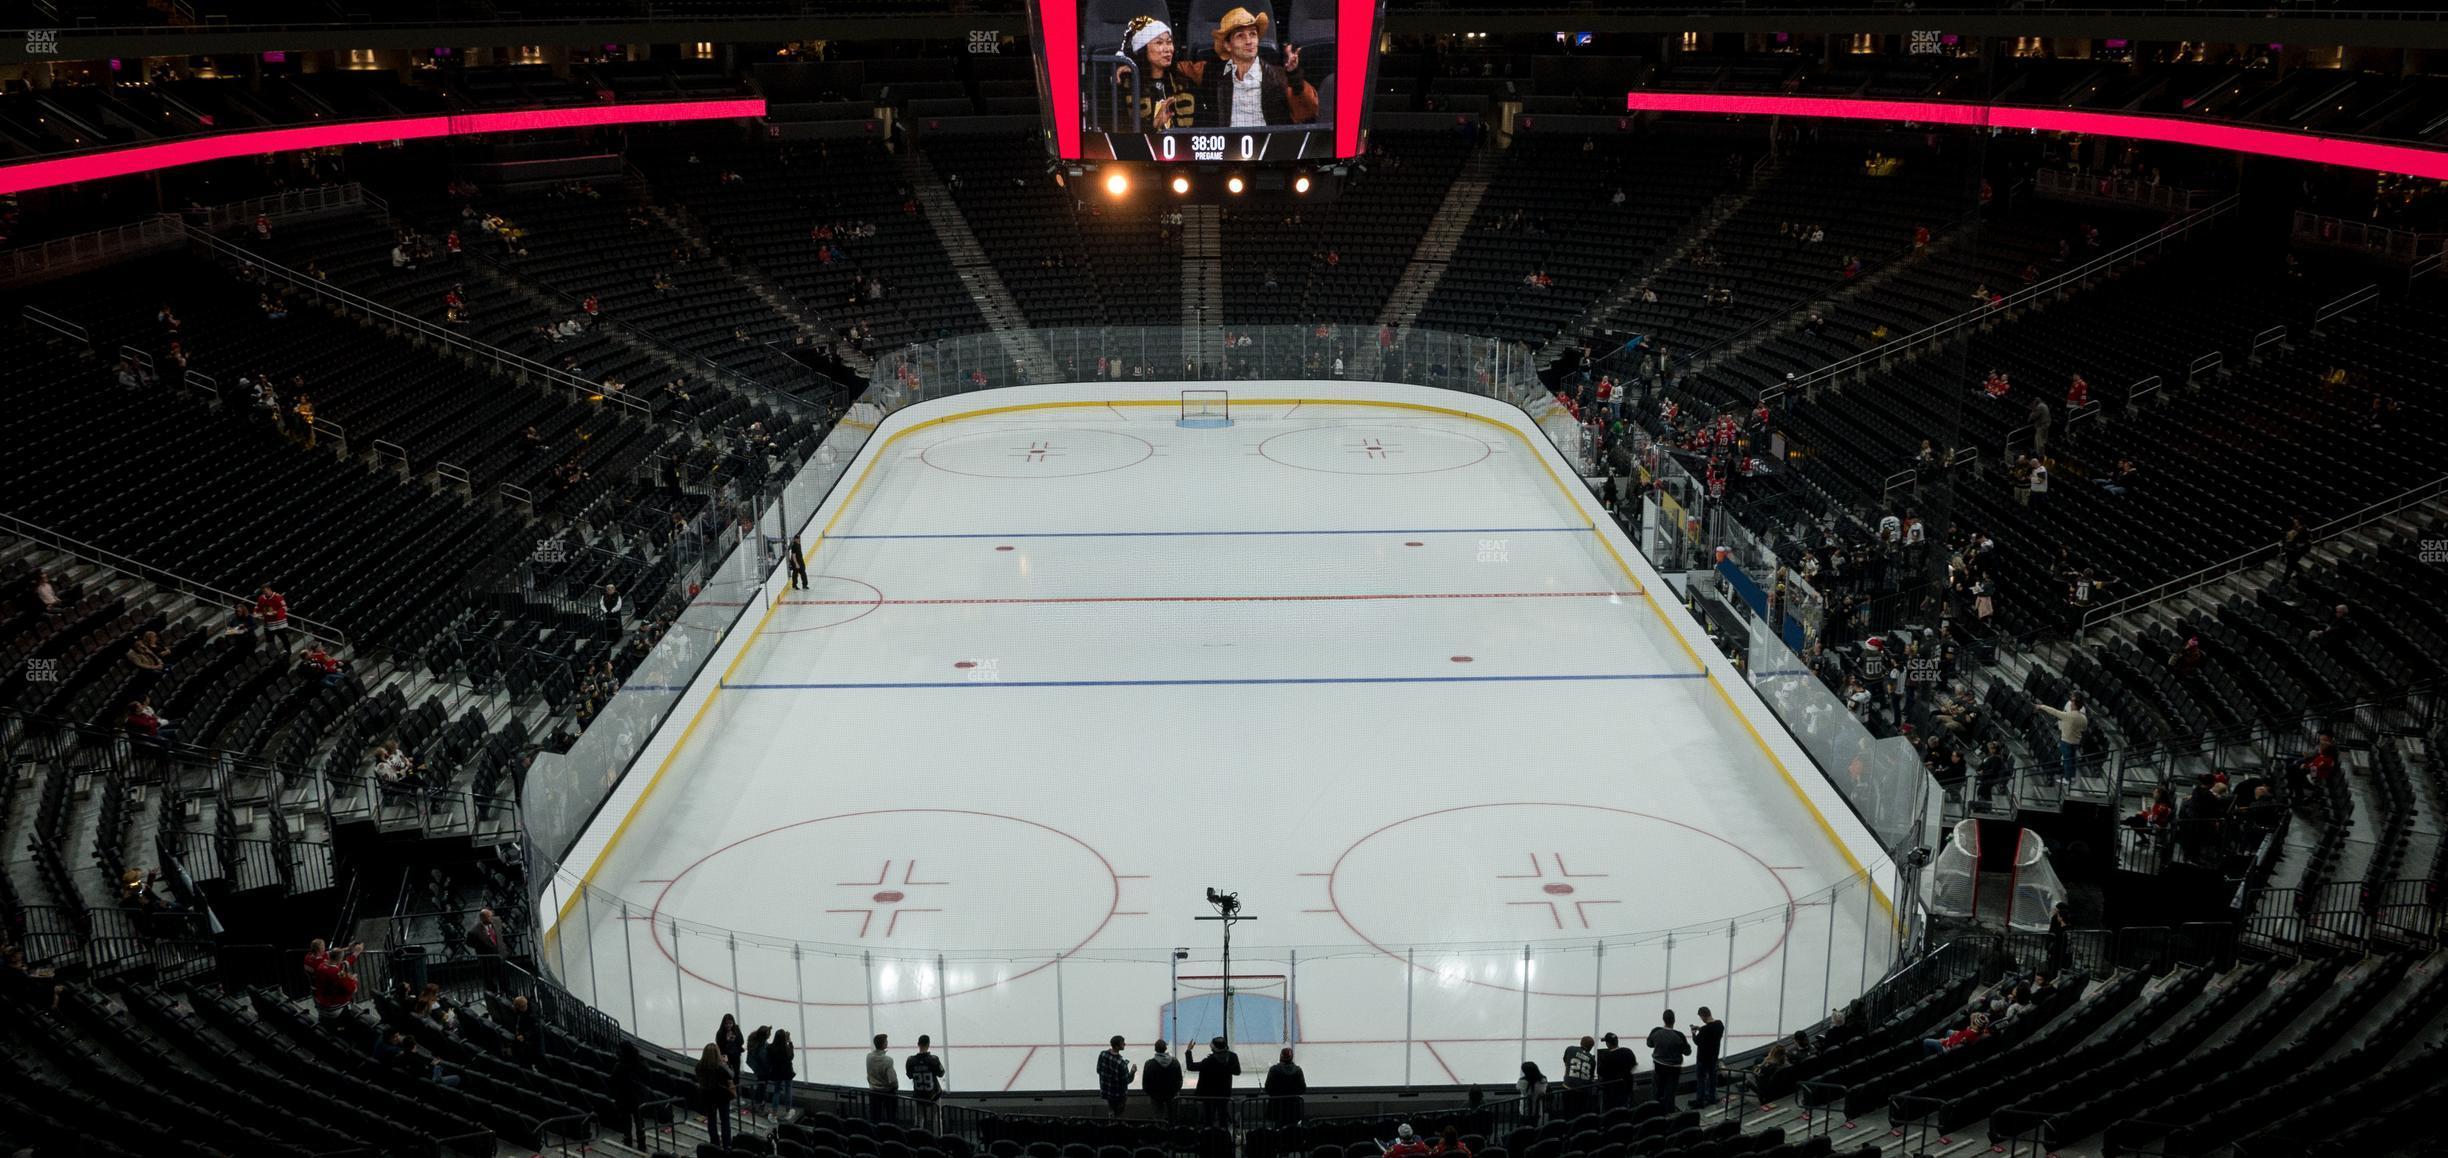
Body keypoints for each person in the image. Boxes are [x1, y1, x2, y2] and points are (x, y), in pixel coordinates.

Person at [1172, 8, 1318, 129]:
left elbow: (1309, 111)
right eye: (1240, 36)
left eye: (1253, 34)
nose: (1249, 41)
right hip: (1227, 154)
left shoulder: (1279, 77)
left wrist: (1294, 76)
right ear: (1228, 45)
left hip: (1268, 155)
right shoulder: (1210, 72)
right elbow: (1175, 68)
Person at [1115, 15, 1197, 131]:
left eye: (1169, 42)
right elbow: (1119, 129)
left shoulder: (1184, 82)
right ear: (1143, 50)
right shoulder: (1128, 85)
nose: (1167, 49)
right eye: (1159, 43)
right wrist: (1153, 124)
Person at [2034, 694, 2089, 786]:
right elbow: (2084, 728)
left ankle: (2067, 778)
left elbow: (2054, 711)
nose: (2071, 704)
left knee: (2067, 760)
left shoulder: (2069, 716)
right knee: (2073, 759)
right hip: (2076, 741)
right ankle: (2072, 776)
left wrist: (2041, 706)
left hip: (2067, 741)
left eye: (2072, 703)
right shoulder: (2084, 718)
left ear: (2075, 705)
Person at [1185, 1035, 1240, 1126]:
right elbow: (1237, 1072)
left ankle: (1209, 1137)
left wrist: (1188, 1051)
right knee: (1223, 1118)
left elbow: (1190, 1066)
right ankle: (1224, 1136)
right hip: (1224, 1094)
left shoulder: (1208, 1061)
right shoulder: (1233, 1057)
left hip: (1209, 1095)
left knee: (1208, 1119)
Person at [609, 1041, 651, 1149]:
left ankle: (628, 1141)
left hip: (624, 1098)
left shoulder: (619, 1066)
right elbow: (647, 1074)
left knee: (627, 1120)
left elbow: (612, 1081)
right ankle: (642, 1143)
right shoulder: (639, 1063)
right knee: (639, 1121)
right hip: (636, 1097)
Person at [1646, 1010, 1690, 1107]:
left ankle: (1656, 1110)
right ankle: (1668, 1113)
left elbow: (1649, 1044)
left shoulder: (1656, 1031)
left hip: (1659, 1066)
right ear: (1674, 1020)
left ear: (1663, 1019)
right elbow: (1687, 1052)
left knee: (1657, 1090)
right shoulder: (1679, 1035)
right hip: (1674, 1068)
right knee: (1670, 1092)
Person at [697, 1042, 736, 1147]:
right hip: (721, 1096)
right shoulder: (720, 1066)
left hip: (707, 1096)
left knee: (711, 1120)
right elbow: (731, 1075)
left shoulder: (700, 1065)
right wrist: (726, 1063)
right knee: (725, 1120)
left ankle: (714, 1143)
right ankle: (727, 1143)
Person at [905, 1034, 946, 1130]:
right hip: (933, 1094)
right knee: (936, 1119)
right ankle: (938, 1139)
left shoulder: (911, 1060)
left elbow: (910, 1075)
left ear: (918, 1044)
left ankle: (919, 1139)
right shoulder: (933, 1059)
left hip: (919, 1094)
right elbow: (941, 1073)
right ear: (928, 1045)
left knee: (919, 1119)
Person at [1264, 1047, 1306, 1126]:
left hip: (1276, 1106)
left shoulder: (1274, 1070)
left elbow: (1268, 1088)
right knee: (1292, 1131)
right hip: (1294, 1106)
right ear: (1292, 1057)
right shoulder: (1298, 1071)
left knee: (1278, 1130)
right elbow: (1303, 1088)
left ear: (1280, 1056)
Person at [1595, 1031, 1637, 1109]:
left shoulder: (1606, 1056)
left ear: (1608, 1044)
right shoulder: (1627, 1051)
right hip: (1627, 1085)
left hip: (1611, 1090)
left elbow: (1600, 1072)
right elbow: (1634, 1064)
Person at [1692, 1007, 1725, 1105]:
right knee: (1712, 1078)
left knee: (1701, 1079)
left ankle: (1700, 1100)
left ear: (1703, 1016)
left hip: (1703, 1058)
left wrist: (1694, 1033)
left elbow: (1697, 1041)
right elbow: (1711, 1028)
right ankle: (1712, 1097)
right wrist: (1700, 1028)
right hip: (1714, 1057)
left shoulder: (1705, 1030)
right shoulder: (1719, 1024)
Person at [1098, 1035, 1137, 1117]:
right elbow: (1127, 1080)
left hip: (1107, 1091)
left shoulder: (1103, 1054)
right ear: (1116, 1046)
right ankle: (1116, 1125)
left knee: (1111, 1109)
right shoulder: (1121, 1064)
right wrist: (1133, 1072)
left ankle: (1110, 1117)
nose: (1125, 1044)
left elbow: (1098, 1070)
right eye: (1122, 1043)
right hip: (1119, 1094)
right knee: (1119, 1113)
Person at [1144, 1038, 1183, 1119]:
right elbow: (1179, 1079)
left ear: (1155, 1049)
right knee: (1172, 1116)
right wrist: (1175, 1091)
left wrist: (1151, 1093)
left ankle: (1160, 1130)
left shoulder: (1149, 1064)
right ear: (1166, 1048)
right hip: (1171, 1094)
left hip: (1156, 1096)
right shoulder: (1175, 1062)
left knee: (1158, 1117)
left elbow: (1146, 1082)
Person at [865, 1033, 899, 1121]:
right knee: (891, 1117)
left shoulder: (869, 1057)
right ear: (884, 1044)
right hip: (887, 1093)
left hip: (873, 1092)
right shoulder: (887, 1060)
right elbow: (892, 1080)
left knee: (875, 1118)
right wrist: (895, 1087)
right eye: (886, 1041)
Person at [1561, 1034, 1598, 1114]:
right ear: (1591, 1047)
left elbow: (1566, 1062)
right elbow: (1591, 1077)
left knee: (1567, 1112)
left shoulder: (1570, 1049)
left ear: (1581, 1042)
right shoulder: (1592, 1059)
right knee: (1579, 1113)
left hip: (1568, 1088)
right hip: (1582, 1092)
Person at [766, 1029, 797, 1116]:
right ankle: (788, 1111)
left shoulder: (770, 1048)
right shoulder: (786, 1048)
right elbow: (791, 1056)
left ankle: (774, 1113)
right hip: (787, 1072)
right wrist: (789, 1041)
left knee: (777, 1091)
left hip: (776, 1072)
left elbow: (769, 1059)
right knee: (788, 1090)